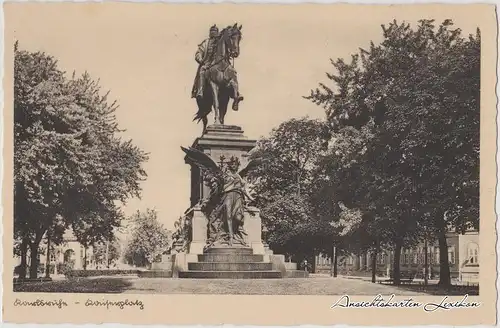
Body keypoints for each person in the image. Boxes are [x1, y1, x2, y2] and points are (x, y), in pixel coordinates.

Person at [192, 25, 219, 100]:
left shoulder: (221, 42)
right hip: (208, 64)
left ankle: (236, 93)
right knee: (202, 71)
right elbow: (199, 53)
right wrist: (200, 60)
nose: (213, 33)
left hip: (219, 63)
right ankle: (200, 91)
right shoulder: (206, 43)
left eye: (215, 31)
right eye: (212, 31)